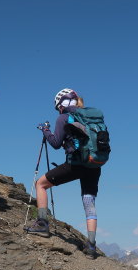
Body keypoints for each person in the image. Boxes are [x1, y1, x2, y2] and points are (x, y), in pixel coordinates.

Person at [25, 88, 102, 259]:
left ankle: (42, 224)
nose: (58, 109)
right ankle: (91, 246)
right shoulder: (90, 118)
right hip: (94, 164)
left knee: (40, 184)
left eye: (58, 106)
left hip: (75, 165)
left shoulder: (64, 117)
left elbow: (55, 142)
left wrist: (45, 130)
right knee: (89, 201)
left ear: (62, 104)